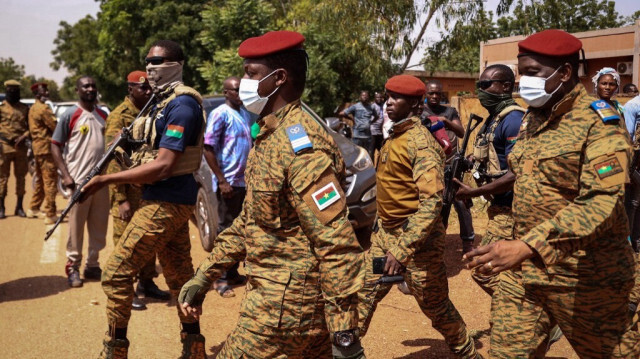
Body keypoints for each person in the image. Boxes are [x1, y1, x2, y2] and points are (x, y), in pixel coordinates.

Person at [179, 30, 366, 359]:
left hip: (285, 311)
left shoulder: (301, 146)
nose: (243, 81)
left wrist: (345, 335)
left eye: (250, 73)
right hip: (281, 301)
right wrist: (205, 274)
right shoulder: (270, 134)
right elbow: (251, 221)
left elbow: (337, 243)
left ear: (278, 78)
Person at [464, 29, 640, 357]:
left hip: (587, 277)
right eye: (522, 73)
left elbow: (602, 199)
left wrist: (529, 244)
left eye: (533, 73)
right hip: (526, 276)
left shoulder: (602, 124)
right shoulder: (533, 117)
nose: (523, 82)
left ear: (565, 73)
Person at [80, 40, 206, 359]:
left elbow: (164, 165)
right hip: (165, 200)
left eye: (158, 61)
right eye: (147, 61)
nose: (150, 67)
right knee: (179, 279)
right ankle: (194, 349)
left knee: (116, 273)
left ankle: (115, 351)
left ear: (177, 64)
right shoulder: (160, 103)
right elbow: (148, 152)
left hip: (167, 202)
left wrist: (105, 180)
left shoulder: (182, 105)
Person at [357, 74, 479, 358]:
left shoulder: (419, 143)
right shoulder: (396, 136)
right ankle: (344, 350)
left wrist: (402, 250)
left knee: (436, 306)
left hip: (418, 242)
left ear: (415, 103)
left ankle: (468, 353)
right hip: (386, 236)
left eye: (396, 98)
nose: (388, 103)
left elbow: (431, 202)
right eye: (387, 96)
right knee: (362, 294)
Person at [454, 65, 524, 296]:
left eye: (486, 85)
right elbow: (495, 156)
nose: (481, 90)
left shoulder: (513, 120)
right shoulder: (493, 118)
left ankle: (524, 312)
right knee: (512, 271)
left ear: (505, 87)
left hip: (510, 209)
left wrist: (474, 193)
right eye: (479, 85)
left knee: (483, 269)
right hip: (498, 206)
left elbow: (516, 173)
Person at [103, 71, 169, 311]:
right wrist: (120, 199)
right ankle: (125, 290)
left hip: (146, 188)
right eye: (143, 89)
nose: (149, 92)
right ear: (130, 89)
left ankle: (147, 281)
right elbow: (111, 160)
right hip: (126, 192)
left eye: (150, 88)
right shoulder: (119, 116)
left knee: (147, 237)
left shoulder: (151, 112)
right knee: (125, 242)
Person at [51, 76, 109, 288]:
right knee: (75, 227)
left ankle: (92, 265)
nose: (90, 88)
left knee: (99, 226)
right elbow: (55, 145)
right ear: (77, 90)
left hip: (102, 182)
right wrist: (66, 177)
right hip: (78, 183)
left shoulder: (103, 115)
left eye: (93, 85)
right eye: (86, 86)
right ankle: (73, 266)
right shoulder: (70, 115)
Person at [203, 76, 252, 298]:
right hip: (228, 183)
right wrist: (221, 180)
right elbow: (208, 148)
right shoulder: (219, 114)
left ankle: (232, 272)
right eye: (236, 90)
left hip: (244, 183)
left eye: (242, 90)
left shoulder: (245, 113)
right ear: (226, 92)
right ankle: (220, 278)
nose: (240, 93)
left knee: (239, 229)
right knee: (225, 231)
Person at [422, 80, 475, 253]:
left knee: (461, 202)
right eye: (431, 93)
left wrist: (445, 121)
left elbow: (461, 132)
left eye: (438, 93)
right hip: (429, 166)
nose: (435, 96)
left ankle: (468, 242)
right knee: (436, 204)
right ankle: (436, 241)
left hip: (452, 164)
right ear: (426, 94)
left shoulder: (450, 111)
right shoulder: (420, 113)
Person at [26, 82, 59, 224]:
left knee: (40, 179)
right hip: (46, 149)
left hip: (37, 149)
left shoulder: (32, 108)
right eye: (44, 91)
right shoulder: (43, 109)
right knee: (50, 180)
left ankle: (33, 207)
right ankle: (50, 213)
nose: (47, 93)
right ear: (38, 94)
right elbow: (55, 127)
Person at [0, 79, 29, 219]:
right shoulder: (1, 108)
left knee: (21, 178)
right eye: (10, 90)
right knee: (2, 179)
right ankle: (1, 207)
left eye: (15, 91)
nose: (12, 93)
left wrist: (24, 136)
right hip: (4, 147)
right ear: (6, 91)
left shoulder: (24, 108)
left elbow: (31, 128)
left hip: (20, 148)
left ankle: (19, 207)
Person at [340, 90, 378, 154]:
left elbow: (377, 116)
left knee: (367, 154)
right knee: (356, 154)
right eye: (363, 95)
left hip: (367, 136)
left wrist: (371, 122)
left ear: (368, 97)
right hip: (357, 136)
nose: (364, 97)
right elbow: (342, 113)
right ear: (360, 97)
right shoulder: (355, 106)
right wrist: (351, 119)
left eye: (366, 96)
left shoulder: (371, 107)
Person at [370, 92, 385, 156]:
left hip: (380, 131)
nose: (379, 99)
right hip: (373, 131)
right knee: (372, 150)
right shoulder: (372, 106)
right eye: (377, 97)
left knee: (382, 149)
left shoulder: (383, 105)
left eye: (380, 97)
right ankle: (371, 165)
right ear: (374, 98)